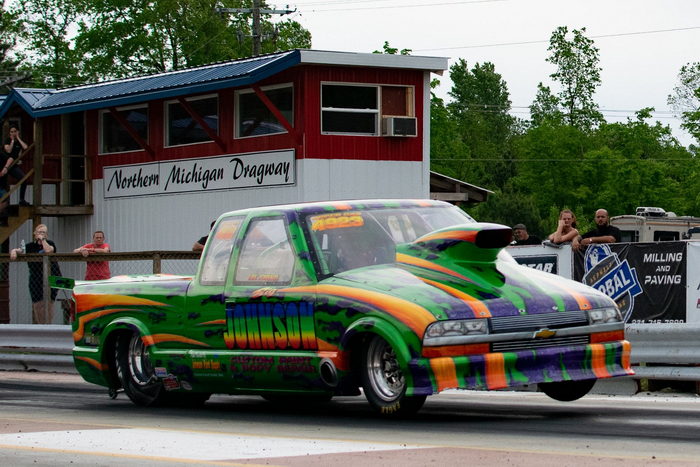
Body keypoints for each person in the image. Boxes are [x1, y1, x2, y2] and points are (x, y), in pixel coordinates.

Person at [9, 224, 61, 324]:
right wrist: (14, 251)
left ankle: (48, 325)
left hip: (51, 277)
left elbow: (48, 251)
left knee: (48, 303)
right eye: (39, 232)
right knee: (38, 304)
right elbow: (20, 251)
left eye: (43, 232)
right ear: (34, 233)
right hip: (36, 279)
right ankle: (41, 325)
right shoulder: (30, 246)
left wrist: (43, 240)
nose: (41, 234)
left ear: (47, 235)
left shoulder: (50, 243)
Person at [2, 125, 30, 206]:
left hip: (13, 164)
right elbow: (8, 150)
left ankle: (22, 199)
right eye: (11, 132)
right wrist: (13, 141)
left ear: (17, 132)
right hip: (5, 164)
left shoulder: (18, 141)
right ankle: (4, 203)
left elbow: (25, 147)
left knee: (23, 179)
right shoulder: (8, 140)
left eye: (15, 131)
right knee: (3, 184)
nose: (13, 133)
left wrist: (18, 138)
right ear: (9, 133)